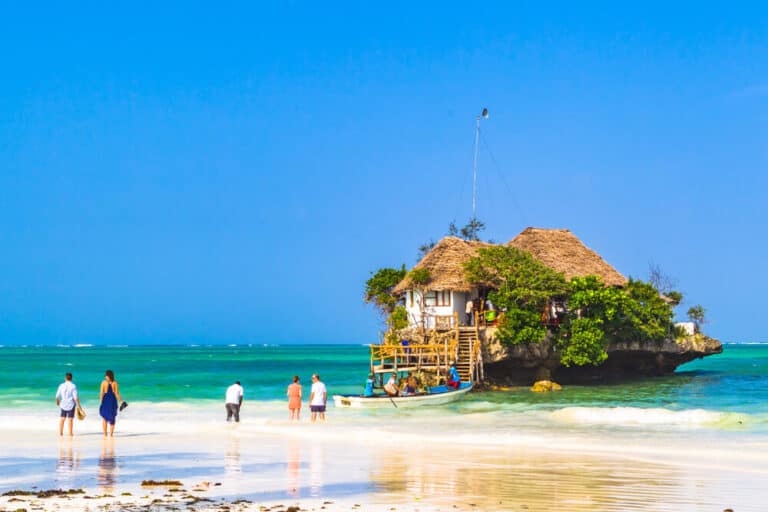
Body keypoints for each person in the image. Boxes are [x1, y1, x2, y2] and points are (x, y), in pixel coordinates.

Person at [55, 372, 81, 437]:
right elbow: (75, 398)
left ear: (65, 378)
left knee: (62, 418)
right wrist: (79, 406)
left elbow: (57, 396)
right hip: (71, 405)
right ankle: (70, 434)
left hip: (63, 404)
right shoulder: (73, 386)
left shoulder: (61, 385)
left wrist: (57, 402)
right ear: (71, 378)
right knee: (70, 419)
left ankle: (60, 433)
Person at [99, 370, 124, 437]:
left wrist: (101, 402)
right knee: (110, 417)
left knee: (105, 417)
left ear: (108, 376)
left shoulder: (103, 383)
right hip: (112, 400)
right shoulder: (115, 383)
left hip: (106, 400)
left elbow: (101, 393)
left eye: (106, 375)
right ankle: (110, 434)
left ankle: (106, 435)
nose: (105, 376)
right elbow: (117, 393)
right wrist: (121, 401)